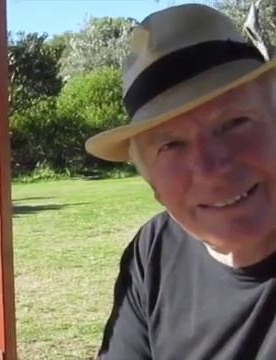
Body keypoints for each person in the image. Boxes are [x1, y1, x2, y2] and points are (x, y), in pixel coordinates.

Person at [85, 4, 276, 359]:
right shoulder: (154, 250)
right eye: (171, 145)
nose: (211, 168)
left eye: (235, 123)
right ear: (152, 182)